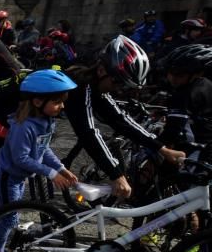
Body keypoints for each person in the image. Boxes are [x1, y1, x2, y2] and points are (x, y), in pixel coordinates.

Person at [63, 35, 185, 199]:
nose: (119, 90)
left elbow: (121, 120)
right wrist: (116, 175)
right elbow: (88, 133)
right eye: (118, 83)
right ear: (101, 70)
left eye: (124, 86)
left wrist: (162, 148)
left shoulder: (96, 86)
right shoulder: (81, 88)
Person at [0, 70, 79, 252]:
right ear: (37, 102)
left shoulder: (45, 122)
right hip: (7, 176)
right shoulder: (24, 126)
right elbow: (21, 159)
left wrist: (61, 168)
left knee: (9, 216)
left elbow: (43, 150)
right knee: (10, 218)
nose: (62, 106)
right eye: (57, 101)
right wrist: (51, 174)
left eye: (63, 101)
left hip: (17, 178)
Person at [160, 44, 212, 155]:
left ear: (198, 73)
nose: (172, 77)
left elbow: (172, 132)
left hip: (200, 151)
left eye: (179, 74)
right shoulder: (206, 84)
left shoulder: (184, 95)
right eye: (170, 71)